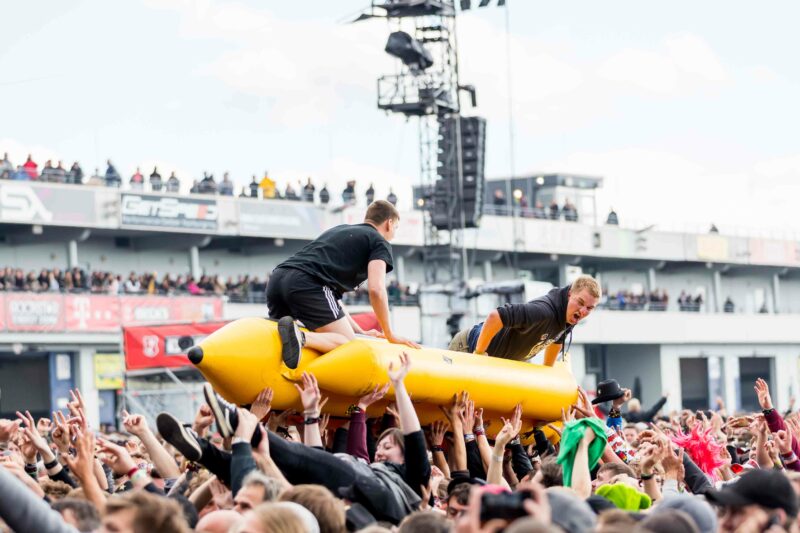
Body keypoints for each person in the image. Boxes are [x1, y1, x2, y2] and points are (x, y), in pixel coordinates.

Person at [266, 200, 418, 369]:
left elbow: (332, 300)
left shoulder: (340, 230)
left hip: (278, 278)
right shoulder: (379, 242)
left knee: (278, 336)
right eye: (396, 228)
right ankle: (301, 337)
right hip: (308, 283)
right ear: (389, 223)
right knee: (347, 343)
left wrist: (359, 331)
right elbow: (376, 290)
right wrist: (389, 334)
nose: (394, 234)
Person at [448, 275, 600, 365]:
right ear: (569, 294)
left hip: (502, 361)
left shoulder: (569, 317)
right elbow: (496, 316)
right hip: (468, 346)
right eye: (580, 302)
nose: (583, 311)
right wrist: (479, 353)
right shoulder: (543, 311)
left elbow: (557, 340)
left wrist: (548, 371)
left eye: (589, 308)